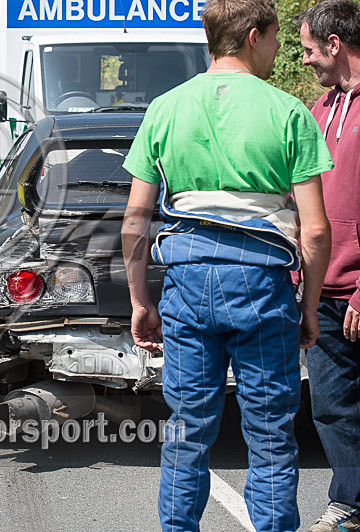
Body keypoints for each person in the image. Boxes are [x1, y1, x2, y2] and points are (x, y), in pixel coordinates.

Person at [120, 1, 334, 530]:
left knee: (187, 430)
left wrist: (140, 300)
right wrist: (309, 307)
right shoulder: (288, 111)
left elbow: (133, 222)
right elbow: (315, 229)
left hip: (188, 281)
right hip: (262, 284)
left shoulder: (165, 108)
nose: (280, 51)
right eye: (277, 40)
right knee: (269, 434)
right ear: (254, 36)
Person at [298, 2, 360, 530]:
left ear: (336, 43)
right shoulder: (318, 110)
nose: (304, 59)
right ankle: (349, 507)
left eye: (311, 49)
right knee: (333, 409)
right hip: (326, 289)